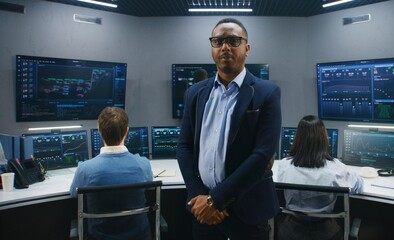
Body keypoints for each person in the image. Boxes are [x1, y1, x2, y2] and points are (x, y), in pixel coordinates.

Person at [177, 18, 282, 240]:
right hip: (203, 212)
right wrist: (198, 195)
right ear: (212, 48)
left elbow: (262, 155)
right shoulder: (195, 93)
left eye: (233, 40)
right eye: (218, 41)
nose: (225, 46)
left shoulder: (267, 93)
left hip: (247, 211)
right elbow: (184, 147)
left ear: (247, 48)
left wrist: (215, 200)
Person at [69, 106, 153, 240]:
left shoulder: (84, 169)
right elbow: (150, 188)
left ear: (99, 131)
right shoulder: (143, 164)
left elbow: (74, 194)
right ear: (127, 132)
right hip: (139, 236)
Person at [276, 115, 364, 240]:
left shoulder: (284, 165)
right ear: (324, 139)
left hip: (291, 232)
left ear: (297, 139)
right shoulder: (336, 168)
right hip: (326, 233)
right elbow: (358, 187)